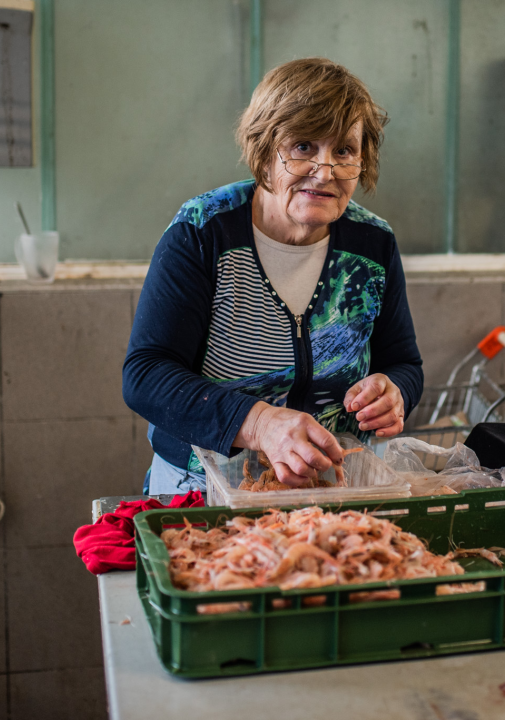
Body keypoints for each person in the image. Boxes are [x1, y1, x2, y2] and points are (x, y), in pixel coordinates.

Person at [123, 57, 423, 495]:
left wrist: (395, 391)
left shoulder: (372, 245)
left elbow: (404, 363)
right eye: (303, 146)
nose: (325, 172)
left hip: (333, 486)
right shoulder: (203, 232)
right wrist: (258, 423)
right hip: (204, 488)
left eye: (344, 150)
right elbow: (146, 375)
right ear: (264, 151)